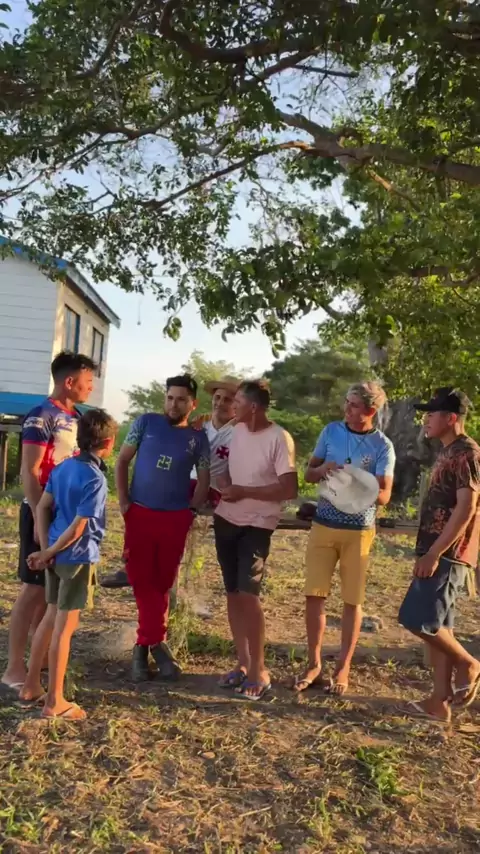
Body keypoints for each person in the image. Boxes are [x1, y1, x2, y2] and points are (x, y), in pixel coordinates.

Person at [1, 351, 95, 694]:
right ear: (69, 381)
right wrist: (41, 522)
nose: (90, 387)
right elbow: (30, 472)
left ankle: (38, 663)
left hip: (68, 516)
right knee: (33, 589)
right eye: (87, 382)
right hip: (43, 510)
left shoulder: (78, 417)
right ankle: (13, 667)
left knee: (50, 590)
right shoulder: (41, 416)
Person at [296, 382, 395, 696]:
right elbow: (308, 474)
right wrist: (324, 469)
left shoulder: (382, 446)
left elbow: (385, 496)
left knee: (353, 600)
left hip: (359, 531)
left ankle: (343, 667)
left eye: (354, 405)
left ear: (371, 410)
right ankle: (313, 664)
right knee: (314, 595)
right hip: (323, 525)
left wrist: (359, 482)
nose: (346, 409)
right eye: (346, 402)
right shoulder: (331, 432)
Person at [18, 409, 117, 719]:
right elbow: (78, 528)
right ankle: (55, 701)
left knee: (49, 618)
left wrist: (46, 551)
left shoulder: (62, 467)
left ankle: (31, 685)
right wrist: (48, 552)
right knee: (64, 628)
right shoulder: (96, 478)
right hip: (77, 557)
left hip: (55, 555)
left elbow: (42, 507)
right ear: (109, 443)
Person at [102, 375, 239, 590]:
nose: (220, 403)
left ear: (237, 404)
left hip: (210, 488)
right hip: (184, 479)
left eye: (228, 400)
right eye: (218, 397)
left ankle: (142, 569)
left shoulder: (240, 433)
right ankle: (133, 563)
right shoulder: (200, 424)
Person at [115, 374, 210, 681]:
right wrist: (124, 501)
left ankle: (144, 648)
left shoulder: (197, 438)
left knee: (162, 582)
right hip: (140, 514)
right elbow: (122, 461)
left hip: (175, 518)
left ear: (193, 404)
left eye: (181, 399)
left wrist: (191, 510)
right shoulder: (145, 423)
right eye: (170, 398)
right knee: (142, 581)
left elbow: (204, 477)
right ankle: (155, 645)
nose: (174, 404)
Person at [398, 387, 480, 723]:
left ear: (451, 418)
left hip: (448, 552)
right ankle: (438, 701)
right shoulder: (449, 451)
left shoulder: (467, 453)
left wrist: (435, 552)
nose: (426, 419)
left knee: (418, 620)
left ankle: (468, 662)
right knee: (439, 625)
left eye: (432, 413)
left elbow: (467, 507)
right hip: (439, 548)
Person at [214, 380, 297, 700]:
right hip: (226, 518)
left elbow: (289, 488)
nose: (231, 406)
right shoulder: (234, 431)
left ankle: (259, 669)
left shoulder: (279, 438)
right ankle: (243, 663)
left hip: (257, 524)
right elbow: (224, 468)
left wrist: (244, 491)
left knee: (249, 596)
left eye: (237, 401)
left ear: (253, 407)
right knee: (233, 594)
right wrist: (225, 485)